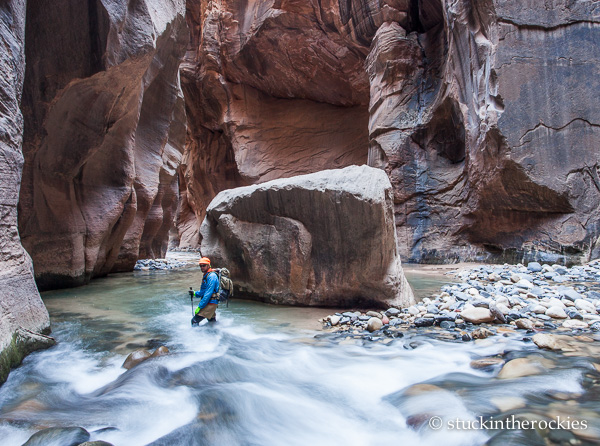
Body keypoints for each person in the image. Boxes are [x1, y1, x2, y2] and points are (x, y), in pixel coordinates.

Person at [191, 257, 219, 326]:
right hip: (211, 302)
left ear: (208, 265)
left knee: (194, 320)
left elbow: (208, 294)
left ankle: (196, 336)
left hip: (211, 303)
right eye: (200, 266)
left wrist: (200, 306)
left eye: (204, 265)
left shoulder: (212, 276)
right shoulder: (207, 275)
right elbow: (203, 291)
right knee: (211, 321)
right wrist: (195, 293)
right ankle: (215, 334)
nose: (202, 267)